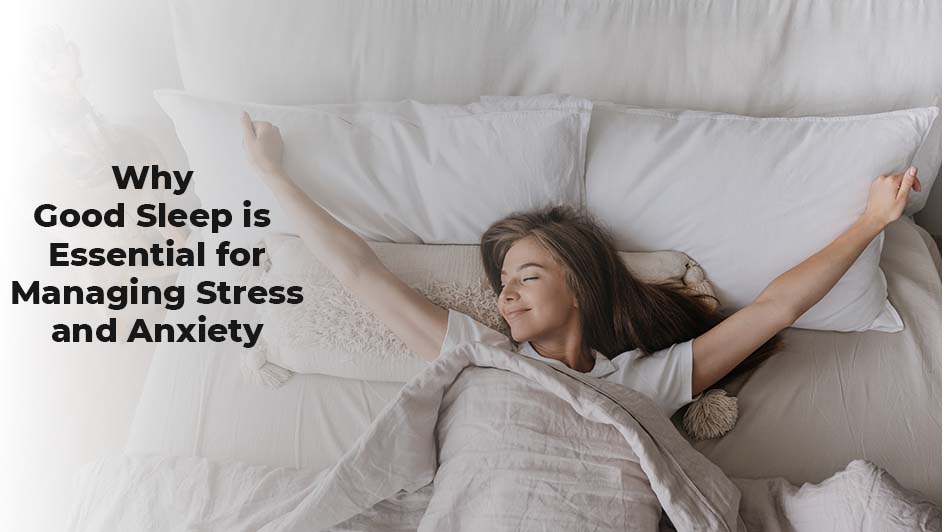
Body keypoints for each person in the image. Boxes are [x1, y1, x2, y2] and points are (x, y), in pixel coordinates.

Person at [240, 111, 922, 417]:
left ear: (581, 286)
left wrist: (870, 222)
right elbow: (361, 273)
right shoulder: (476, 355)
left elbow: (777, 308)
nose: (505, 298)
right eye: (504, 284)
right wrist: (271, 178)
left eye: (527, 277)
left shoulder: (647, 382)